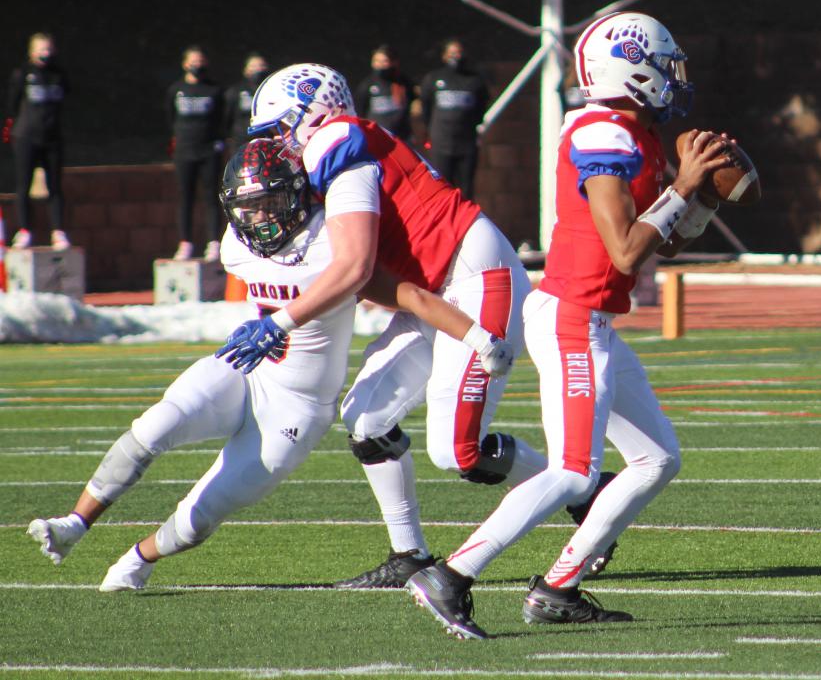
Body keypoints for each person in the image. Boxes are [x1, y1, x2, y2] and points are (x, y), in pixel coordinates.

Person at [24, 140, 506, 590]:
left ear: (296, 196)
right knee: (154, 426)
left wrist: (479, 336)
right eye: (245, 207)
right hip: (245, 371)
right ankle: (74, 523)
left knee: (201, 515)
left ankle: (138, 559)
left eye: (267, 203)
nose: (256, 217)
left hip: (296, 409)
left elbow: (410, 296)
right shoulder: (237, 245)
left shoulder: (334, 247)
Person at [404, 10, 728, 638]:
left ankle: (559, 586)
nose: (673, 78)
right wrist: (683, 185)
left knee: (657, 459)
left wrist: (701, 199)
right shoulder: (600, 131)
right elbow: (626, 249)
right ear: (632, 71)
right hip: (572, 317)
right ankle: (452, 575)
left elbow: (663, 245)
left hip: (595, 319)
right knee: (575, 469)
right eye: (664, 66)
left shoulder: (638, 133)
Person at [236, 62, 544, 590]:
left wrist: (282, 322)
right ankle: (410, 553)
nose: (275, 147)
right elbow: (372, 280)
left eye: (278, 130)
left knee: (457, 453)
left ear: (309, 115)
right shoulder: (335, 156)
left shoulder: (336, 143)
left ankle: (578, 487)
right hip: (435, 289)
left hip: (472, 276)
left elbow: (354, 269)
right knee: (366, 417)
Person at [5, 32, 70, 249]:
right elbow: (13, 104)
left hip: (52, 139)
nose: (45, 53)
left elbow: (65, 100)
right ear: (32, 51)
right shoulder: (22, 73)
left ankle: (58, 232)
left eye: (49, 49)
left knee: (55, 186)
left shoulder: (58, 75)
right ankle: (25, 231)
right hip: (26, 138)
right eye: (41, 49)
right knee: (24, 185)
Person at [167, 45, 226, 261]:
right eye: (193, 61)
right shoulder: (176, 90)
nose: (197, 65)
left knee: (211, 196)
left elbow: (222, 117)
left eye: (200, 61)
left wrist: (217, 142)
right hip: (184, 150)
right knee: (185, 196)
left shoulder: (214, 90)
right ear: (184, 64)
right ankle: (185, 243)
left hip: (208, 150)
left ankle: (213, 243)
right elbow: (171, 117)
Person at [419, 39, 488, 199]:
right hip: (441, 144)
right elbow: (426, 107)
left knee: (465, 189)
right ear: (444, 56)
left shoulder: (475, 81)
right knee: (441, 186)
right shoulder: (433, 79)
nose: (455, 57)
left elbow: (481, 108)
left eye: (459, 53)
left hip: (466, 144)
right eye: (451, 53)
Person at [355, 44, 415, 142]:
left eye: (385, 61)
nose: (380, 65)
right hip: (376, 136)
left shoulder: (404, 83)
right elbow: (360, 110)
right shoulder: (367, 84)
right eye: (377, 61)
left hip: (401, 137)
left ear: (394, 62)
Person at [223, 53, 270, 146]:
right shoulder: (235, 91)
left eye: (261, 66)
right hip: (241, 141)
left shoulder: (271, 90)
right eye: (253, 66)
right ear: (246, 70)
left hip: (265, 140)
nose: (258, 69)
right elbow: (227, 116)